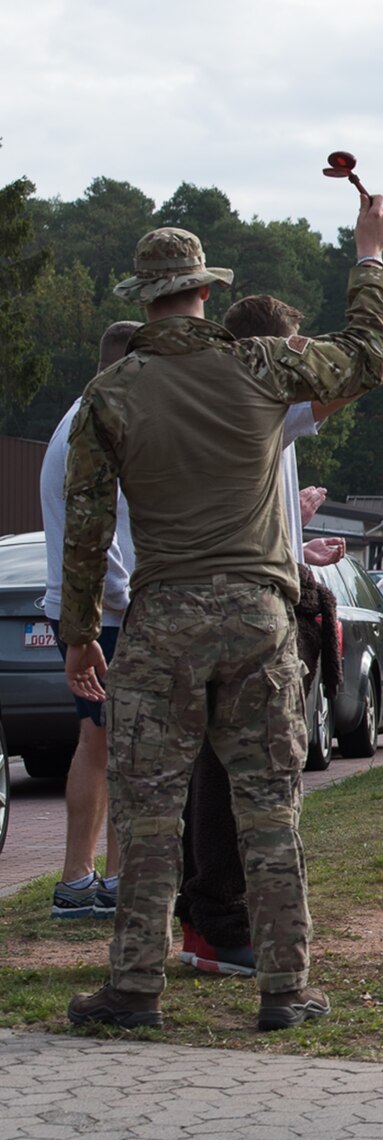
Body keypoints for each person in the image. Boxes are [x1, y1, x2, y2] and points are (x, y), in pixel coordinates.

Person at [60, 200, 383, 1032]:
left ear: (146, 296)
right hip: (260, 615)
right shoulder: (260, 364)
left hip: (160, 622)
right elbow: (369, 357)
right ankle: (285, 986)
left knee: (150, 809)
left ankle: (134, 988)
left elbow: (85, 527)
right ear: (202, 289)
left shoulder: (109, 393)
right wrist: (369, 258)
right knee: (269, 804)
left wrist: (81, 633)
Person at [173, 289, 383, 975]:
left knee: (213, 777)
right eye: (298, 349)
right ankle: (237, 933)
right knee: (250, 783)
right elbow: (355, 374)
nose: (307, 364)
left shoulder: (217, 408)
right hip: (248, 617)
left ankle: (208, 924)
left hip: (219, 604)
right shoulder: (261, 403)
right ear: (274, 354)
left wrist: (297, 545)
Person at [38, 320, 139, 920]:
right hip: (105, 610)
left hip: (85, 606)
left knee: (99, 742)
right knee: (116, 746)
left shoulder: (77, 416)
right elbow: (95, 532)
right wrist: (128, 602)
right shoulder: (98, 424)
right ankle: (99, 879)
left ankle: (87, 878)